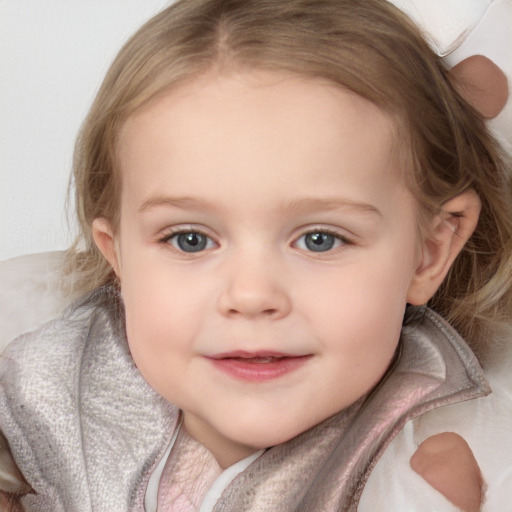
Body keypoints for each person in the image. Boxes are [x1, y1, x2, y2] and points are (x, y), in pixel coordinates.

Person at [1, 0, 511, 510]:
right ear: (119, 258)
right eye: (190, 239)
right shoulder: (41, 383)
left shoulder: (441, 462)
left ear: (429, 252)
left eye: (320, 239)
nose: (251, 295)